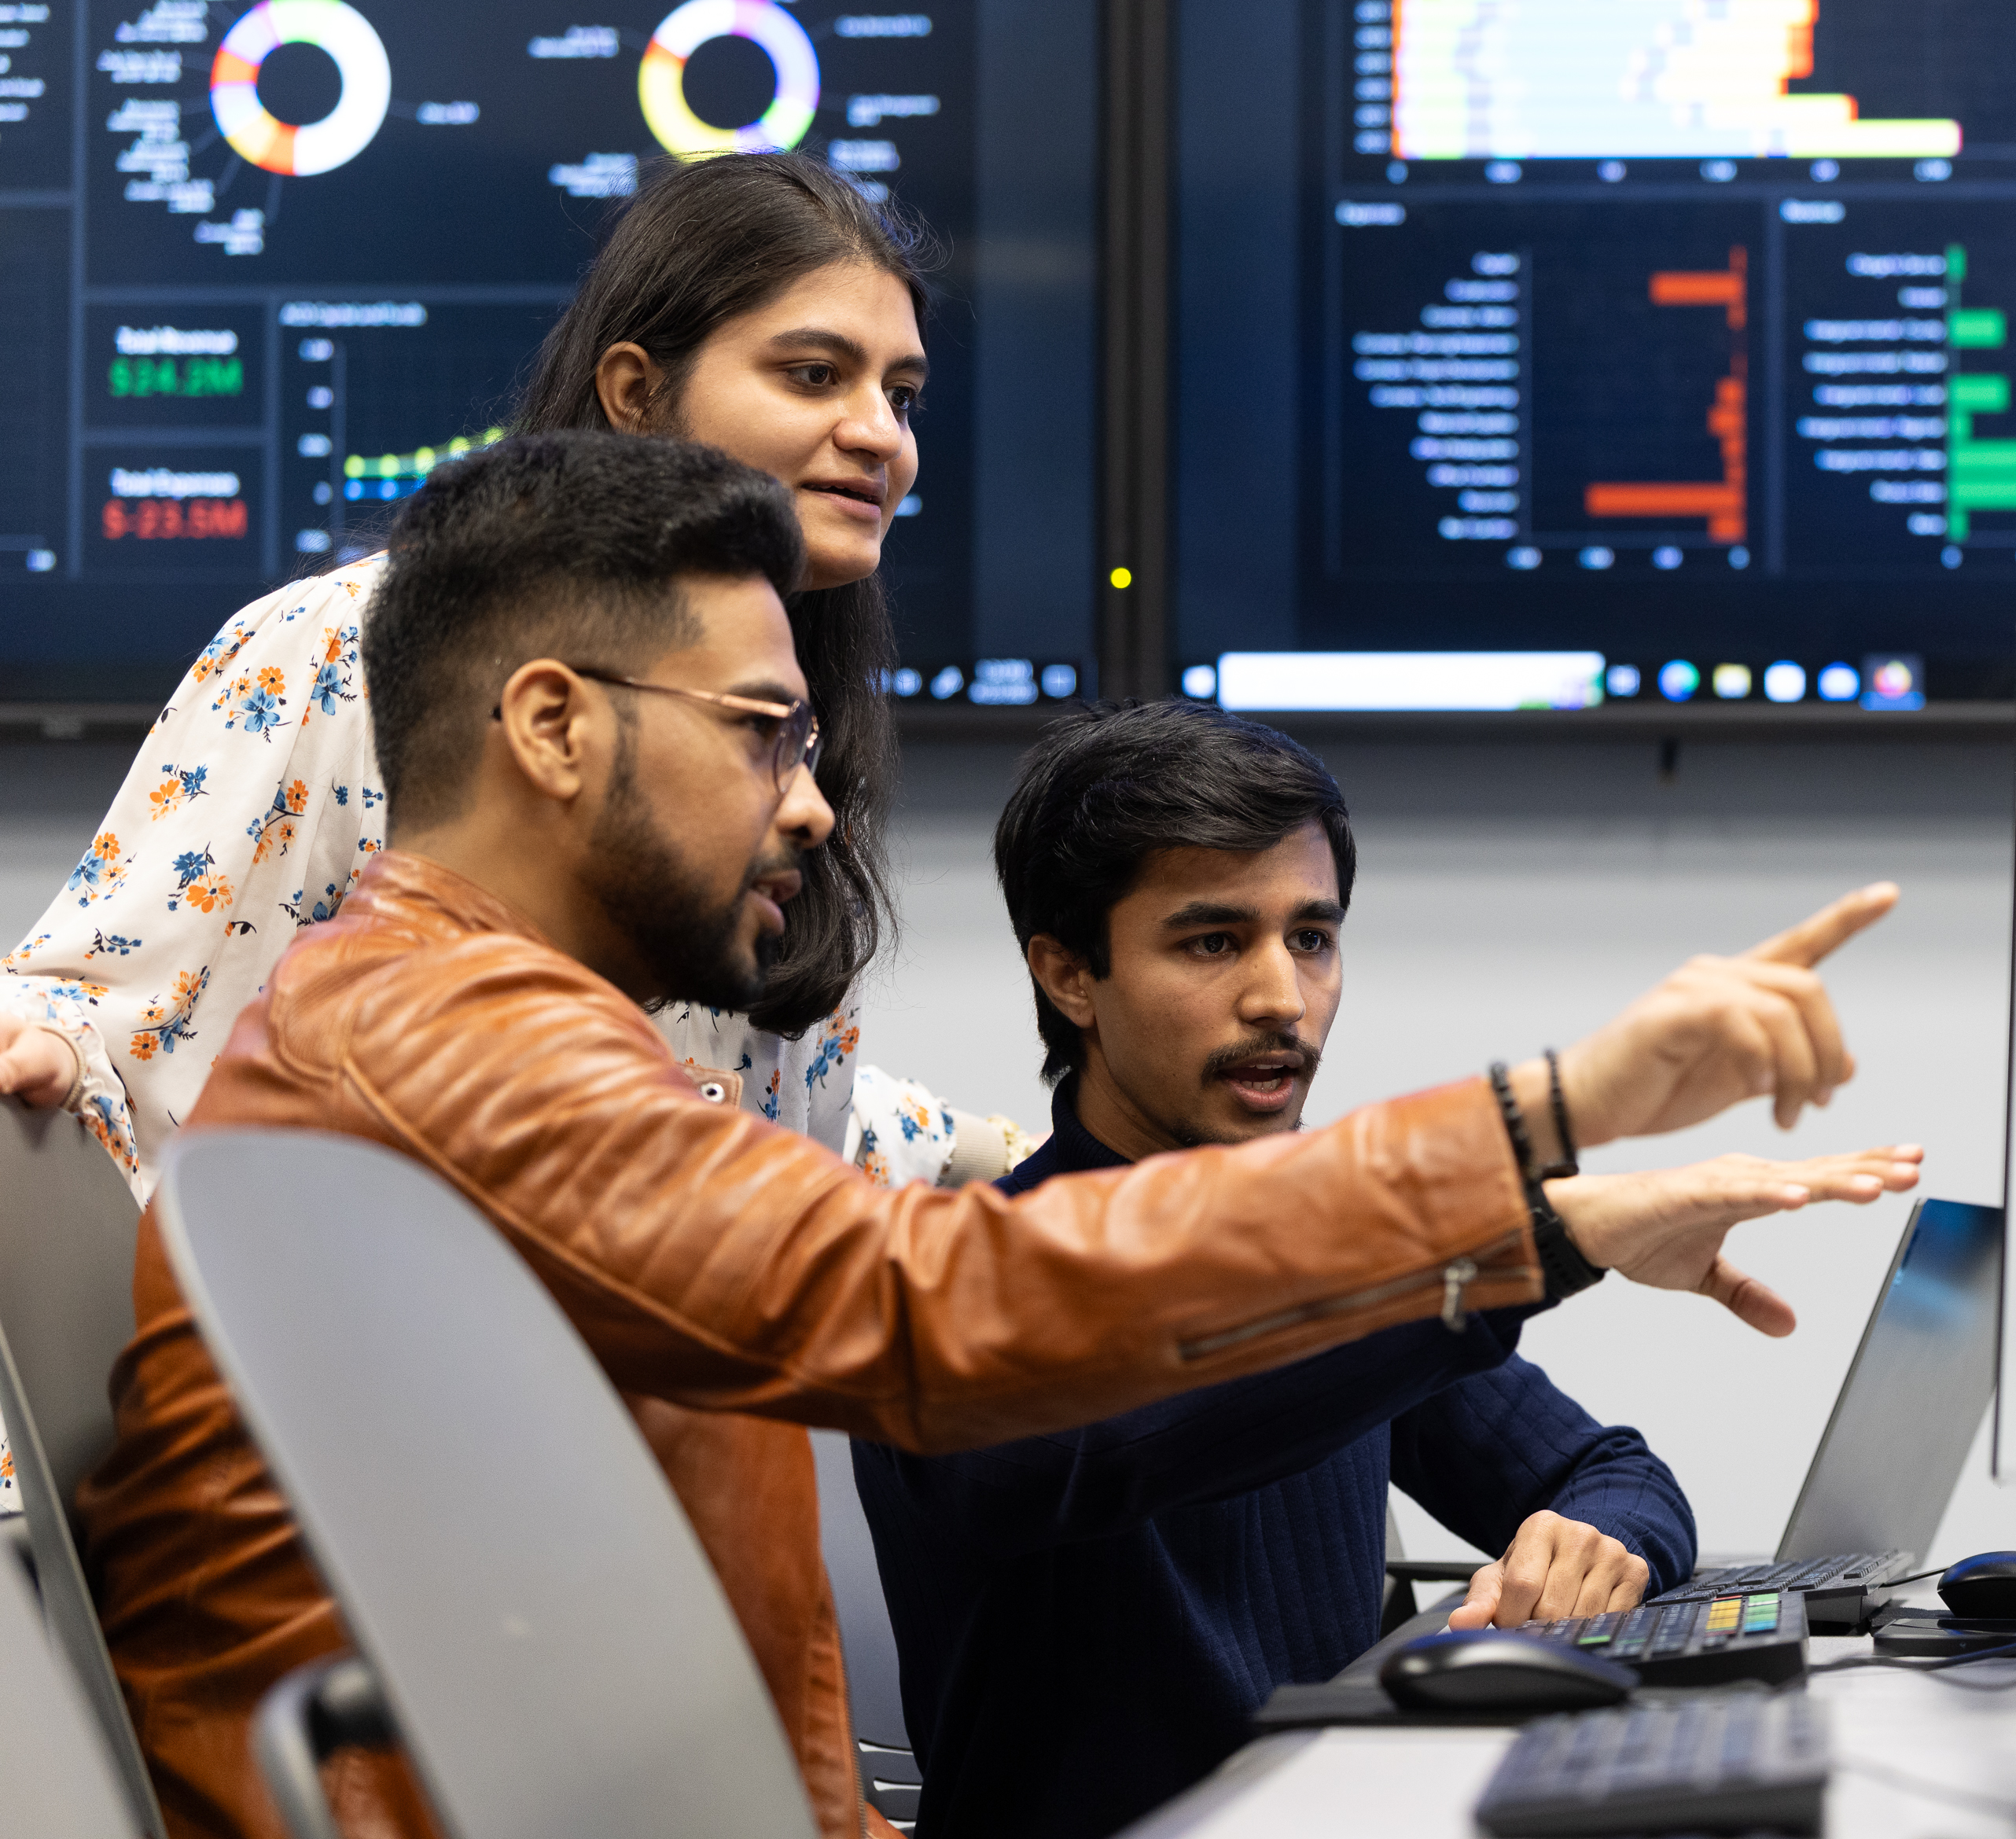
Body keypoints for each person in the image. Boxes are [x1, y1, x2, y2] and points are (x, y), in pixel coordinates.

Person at [74, 432, 1920, 1839]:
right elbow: (923, 1311)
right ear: (551, 727)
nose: (807, 810)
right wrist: (1553, 1129)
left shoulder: (476, 1030)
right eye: (762, 735)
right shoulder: (446, 1030)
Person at [859, 706, 1918, 1838]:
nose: (1281, 996)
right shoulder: (955, 1293)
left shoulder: (1354, 1266)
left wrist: (1597, 1542)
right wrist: (1528, 1242)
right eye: (1213, 942)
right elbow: (1123, 1433)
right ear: (1070, 973)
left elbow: (1618, 1472)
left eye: (1311, 937)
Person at [0, 151, 1010, 1212]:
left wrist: (1005, 1147)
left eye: (901, 395)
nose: (879, 435)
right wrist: (50, 1058)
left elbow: (758, 1104)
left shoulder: (803, 709)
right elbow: (101, 1014)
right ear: (634, 392)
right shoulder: (341, 645)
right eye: (814, 374)